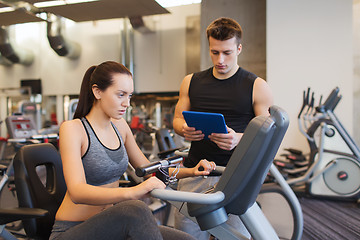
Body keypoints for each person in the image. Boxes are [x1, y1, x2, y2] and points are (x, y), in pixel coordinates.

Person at [49, 61, 216, 240]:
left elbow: (149, 170)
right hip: (74, 230)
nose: (127, 103)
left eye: (129, 96)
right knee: (135, 208)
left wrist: (192, 171)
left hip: (113, 227)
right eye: (121, 95)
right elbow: (77, 192)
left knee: (185, 239)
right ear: (97, 92)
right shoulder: (74, 129)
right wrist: (133, 192)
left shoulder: (119, 126)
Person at [172, 17, 273, 240]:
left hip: (236, 176)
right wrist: (183, 129)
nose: (220, 59)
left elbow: (267, 136)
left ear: (239, 48)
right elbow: (178, 119)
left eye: (227, 52)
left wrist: (239, 138)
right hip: (196, 171)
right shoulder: (191, 81)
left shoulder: (256, 86)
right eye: (214, 52)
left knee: (235, 236)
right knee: (185, 235)